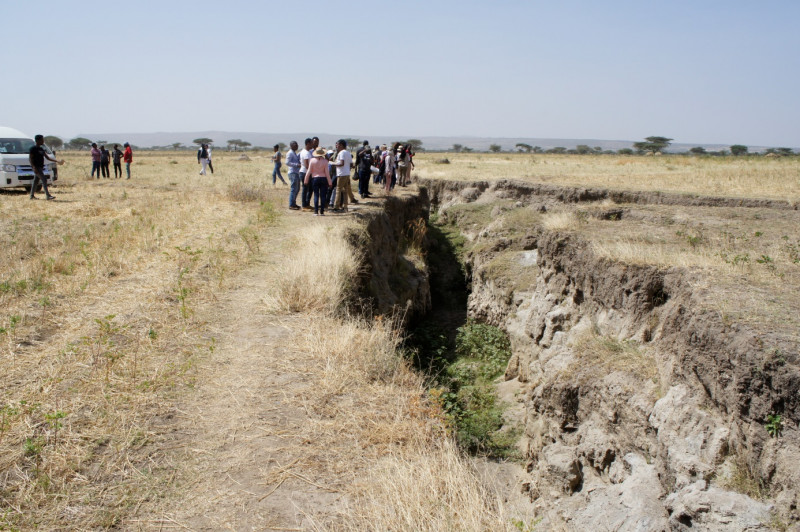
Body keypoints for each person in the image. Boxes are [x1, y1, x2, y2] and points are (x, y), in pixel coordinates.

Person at [29, 134, 63, 200]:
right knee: (44, 179)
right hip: (36, 167)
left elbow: (47, 158)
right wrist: (34, 167)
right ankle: (48, 195)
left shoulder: (41, 149)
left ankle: (31, 196)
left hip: (41, 167)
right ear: (37, 140)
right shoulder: (33, 149)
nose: (43, 141)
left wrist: (57, 161)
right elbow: (30, 159)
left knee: (35, 181)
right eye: (42, 140)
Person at [304, 146, 332, 215]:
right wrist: (330, 182)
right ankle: (322, 211)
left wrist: (306, 180)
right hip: (323, 179)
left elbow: (309, 171)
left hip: (315, 179)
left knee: (316, 195)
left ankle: (316, 211)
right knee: (323, 196)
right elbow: (327, 173)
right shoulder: (325, 161)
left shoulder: (312, 160)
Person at [331, 139, 354, 212]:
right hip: (347, 173)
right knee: (345, 191)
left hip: (341, 174)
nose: (336, 146)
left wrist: (333, 163)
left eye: (337, 144)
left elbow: (341, 163)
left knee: (338, 190)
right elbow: (351, 164)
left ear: (341, 145)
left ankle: (336, 207)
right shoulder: (348, 153)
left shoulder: (341, 153)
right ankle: (345, 206)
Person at [286, 141, 301, 210]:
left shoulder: (294, 153)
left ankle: (293, 203)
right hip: (292, 172)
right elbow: (287, 162)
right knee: (294, 188)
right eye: (295, 145)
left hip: (296, 172)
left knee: (297, 189)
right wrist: (297, 165)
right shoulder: (290, 153)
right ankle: (291, 204)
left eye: (297, 145)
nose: (296, 146)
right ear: (291, 145)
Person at [299, 138, 313, 210]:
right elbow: (307, 165)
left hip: (305, 172)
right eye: (311, 143)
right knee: (306, 189)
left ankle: (307, 204)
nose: (312, 144)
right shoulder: (306, 153)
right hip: (305, 173)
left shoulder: (306, 152)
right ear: (308, 143)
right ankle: (304, 205)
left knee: (309, 189)